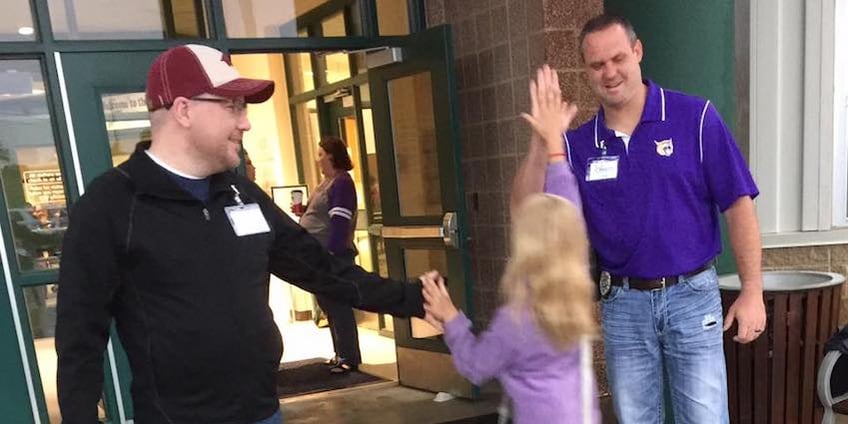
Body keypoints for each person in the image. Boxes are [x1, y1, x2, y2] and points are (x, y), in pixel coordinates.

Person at [55, 44, 430, 424]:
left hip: (263, 413)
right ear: (184, 110)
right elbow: (80, 341)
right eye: (232, 107)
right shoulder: (112, 205)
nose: (245, 122)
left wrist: (417, 298)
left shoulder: (242, 195)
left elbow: (323, 271)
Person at [511, 14, 766, 423]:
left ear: (637, 52)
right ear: (586, 69)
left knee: (705, 418)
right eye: (597, 65)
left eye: (618, 59)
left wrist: (752, 290)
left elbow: (739, 204)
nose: (609, 72)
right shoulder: (580, 146)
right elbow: (525, 209)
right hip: (623, 306)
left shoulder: (694, 118)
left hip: (692, 298)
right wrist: (543, 142)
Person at [421, 179, 600, 423]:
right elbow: (565, 216)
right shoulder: (575, 305)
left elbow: (476, 366)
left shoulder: (516, 320)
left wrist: (451, 318)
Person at [298, 136, 362, 374]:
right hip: (318, 254)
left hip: (332, 255)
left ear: (332, 156)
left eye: (321, 154)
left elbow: (339, 221)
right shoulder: (325, 183)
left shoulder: (342, 184)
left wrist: (332, 254)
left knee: (338, 305)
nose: (318, 160)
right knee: (328, 305)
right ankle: (339, 352)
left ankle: (348, 356)